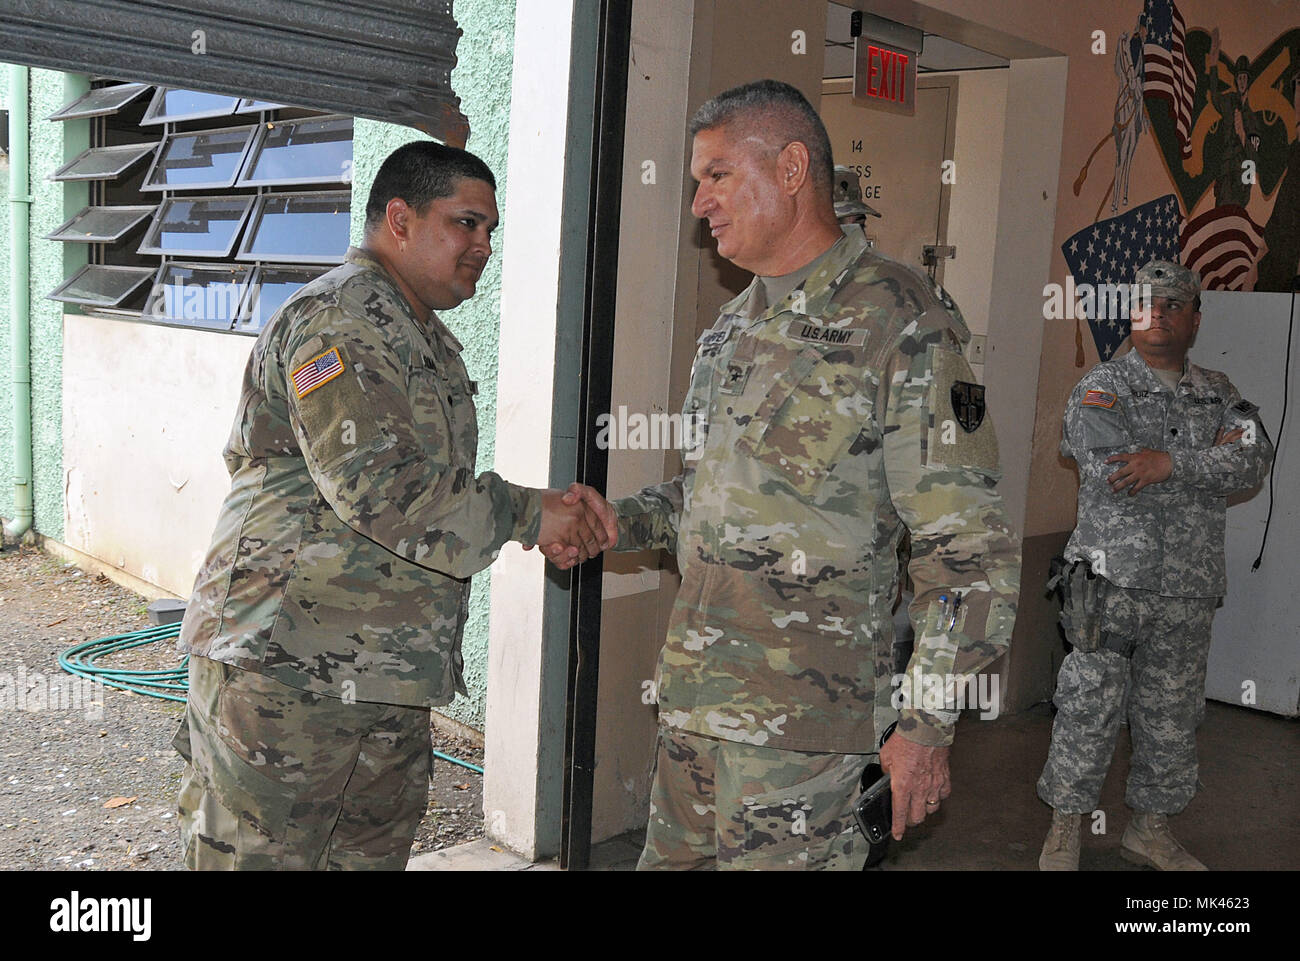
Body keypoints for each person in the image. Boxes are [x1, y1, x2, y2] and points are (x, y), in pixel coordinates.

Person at [601, 79, 1022, 870]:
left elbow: (966, 549)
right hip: (693, 709)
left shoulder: (902, 317)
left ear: (792, 168)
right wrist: (610, 521)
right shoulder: (732, 327)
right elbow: (706, 498)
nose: (699, 203)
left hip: (805, 739)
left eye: (716, 176)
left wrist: (926, 726)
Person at [172, 141, 616, 870]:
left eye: (491, 231)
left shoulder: (418, 334)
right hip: (288, 673)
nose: (484, 246)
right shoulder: (340, 320)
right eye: (466, 223)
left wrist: (536, 517)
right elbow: (382, 490)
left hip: (377, 674)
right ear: (399, 219)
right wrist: (531, 513)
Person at [1037, 260, 1273, 871]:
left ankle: (1151, 829)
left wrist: (1166, 464)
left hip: (1188, 587)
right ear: (1132, 315)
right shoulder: (1101, 387)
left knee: (1172, 713)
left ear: (1195, 319)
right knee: (1089, 706)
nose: (1160, 313)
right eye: (1147, 303)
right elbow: (1110, 466)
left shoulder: (1220, 391)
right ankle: (1065, 829)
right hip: (1112, 581)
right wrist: (1199, 461)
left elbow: (1252, 460)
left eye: (1174, 304)